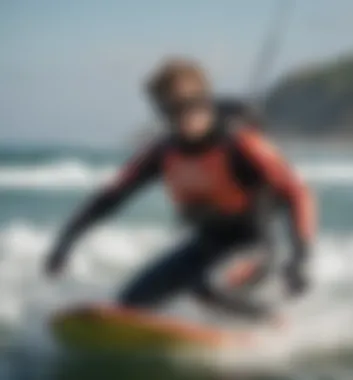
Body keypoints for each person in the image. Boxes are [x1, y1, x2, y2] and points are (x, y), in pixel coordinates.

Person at [45, 58, 316, 319]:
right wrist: (65, 243)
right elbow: (109, 198)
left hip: (255, 247)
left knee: (209, 286)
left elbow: (298, 193)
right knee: (129, 303)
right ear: (162, 112)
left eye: (193, 104)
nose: (186, 116)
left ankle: (271, 325)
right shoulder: (162, 153)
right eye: (172, 110)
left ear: (207, 100)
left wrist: (300, 256)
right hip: (207, 244)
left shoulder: (242, 144)